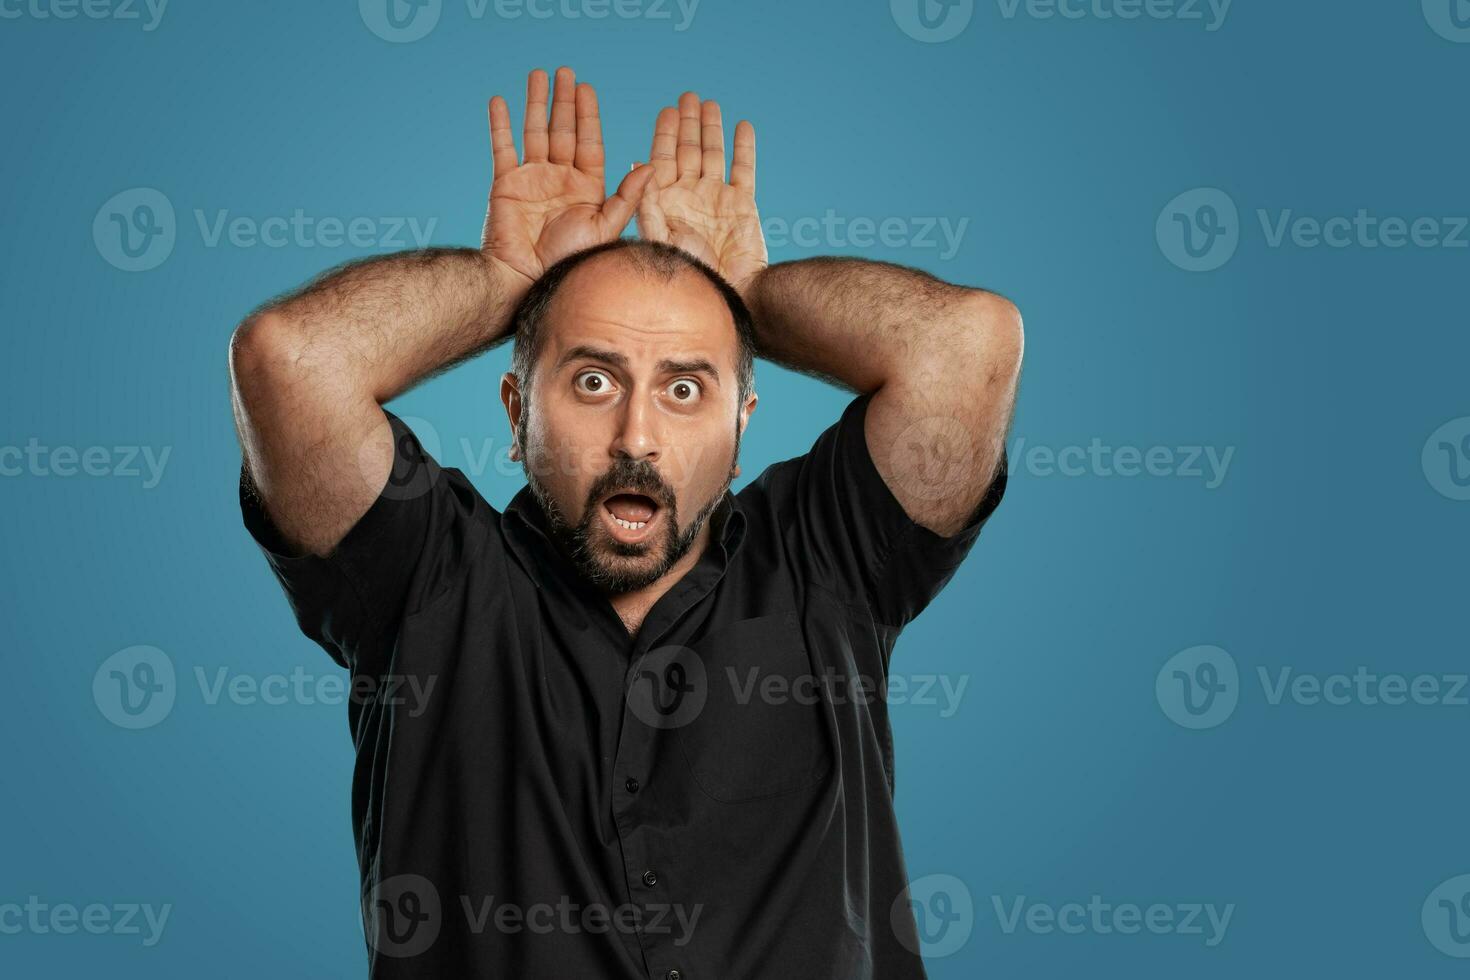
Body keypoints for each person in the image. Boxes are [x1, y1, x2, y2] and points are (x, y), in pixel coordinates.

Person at [229, 65, 1023, 980]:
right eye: (593, 381)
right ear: (516, 413)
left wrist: (750, 295)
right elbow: (287, 361)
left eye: (686, 388)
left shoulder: (828, 562)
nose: (636, 435)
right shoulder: (428, 582)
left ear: (741, 432)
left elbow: (971, 345)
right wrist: (508, 281)